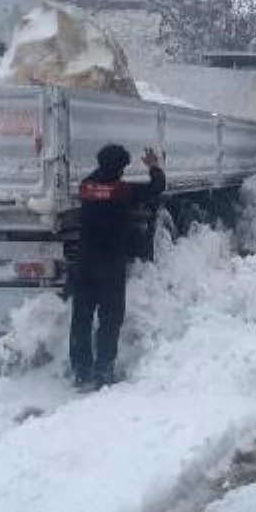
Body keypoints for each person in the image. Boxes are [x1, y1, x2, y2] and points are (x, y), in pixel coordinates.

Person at [70, 143, 166, 388]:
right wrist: (154, 167)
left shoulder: (86, 187)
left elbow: (97, 180)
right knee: (110, 319)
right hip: (110, 266)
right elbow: (157, 188)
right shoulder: (122, 191)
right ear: (120, 168)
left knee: (81, 318)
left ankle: (81, 371)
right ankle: (103, 369)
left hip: (84, 264)